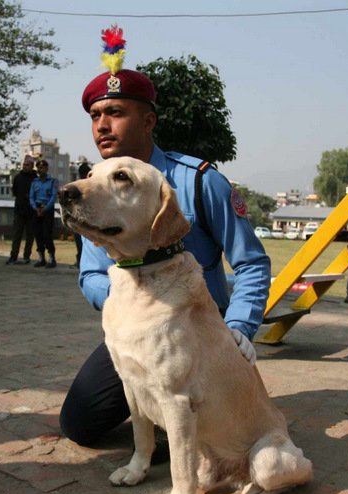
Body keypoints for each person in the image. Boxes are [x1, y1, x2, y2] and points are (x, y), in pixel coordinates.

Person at [58, 64, 271, 447]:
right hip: (140, 330)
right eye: (95, 116)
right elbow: (90, 275)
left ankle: (193, 439)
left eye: (116, 113)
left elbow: (251, 262)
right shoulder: (93, 193)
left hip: (201, 332)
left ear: (148, 121)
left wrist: (239, 327)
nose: (102, 125)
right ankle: (166, 436)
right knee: (79, 422)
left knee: (191, 412)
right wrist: (138, 306)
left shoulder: (198, 180)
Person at [6, 155, 37, 265]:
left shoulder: (35, 179)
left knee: (30, 235)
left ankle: (26, 257)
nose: (25, 167)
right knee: (16, 234)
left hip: (31, 211)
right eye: (24, 164)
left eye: (27, 165)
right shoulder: (18, 177)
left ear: (32, 166)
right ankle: (13, 256)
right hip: (19, 210)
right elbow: (14, 192)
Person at [29, 159, 58, 269]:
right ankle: (41, 258)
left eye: (42, 167)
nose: (40, 170)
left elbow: (53, 197)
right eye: (39, 168)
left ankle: (51, 257)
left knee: (47, 234)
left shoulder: (52, 181)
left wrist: (45, 209)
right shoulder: (34, 182)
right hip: (36, 209)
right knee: (38, 234)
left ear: (46, 168)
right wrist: (35, 208)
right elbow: (32, 197)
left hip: (47, 209)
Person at [72, 161, 92, 268]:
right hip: (89, 219)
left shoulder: (78, 185)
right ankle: (82, 261)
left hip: (80, 219)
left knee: (81, 243)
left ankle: (81, 260)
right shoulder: (93, 184)